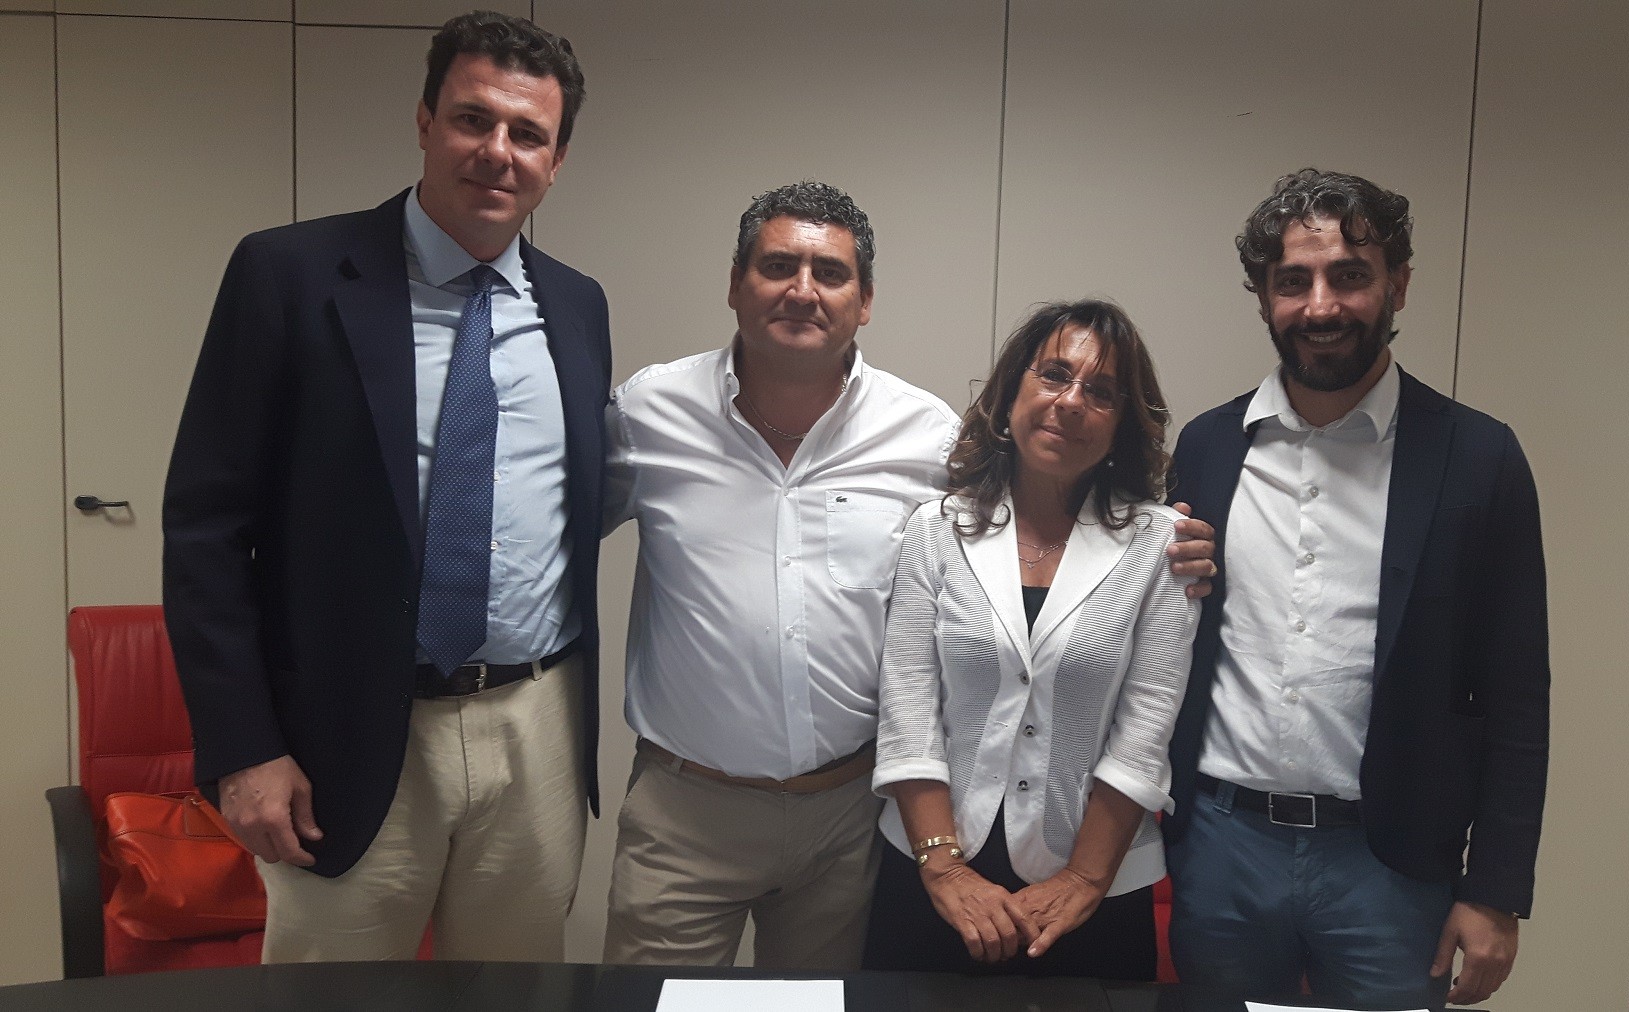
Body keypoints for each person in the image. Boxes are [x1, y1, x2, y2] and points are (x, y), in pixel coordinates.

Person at [600, 184, 1219, 970]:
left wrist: (1176, 543)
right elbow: (552, 535)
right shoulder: (648, 412)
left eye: (830, 273)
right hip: (689, 803)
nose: (803, 290)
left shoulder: (924, 437)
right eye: (779, 265)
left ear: (865, 302)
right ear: (734, 282)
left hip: (845, 816)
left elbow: (1137, 711)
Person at [162, 11, 609, 963]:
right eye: (473, 119)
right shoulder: (288, 275)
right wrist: (243, 747)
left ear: (557, 159)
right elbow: (206, 530)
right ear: (424, 121)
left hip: (536, 724)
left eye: (527, 133)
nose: (497, 151)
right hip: (347, 731)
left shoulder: (577, 306)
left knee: (518, 993)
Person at [1163, 168, 1550, 1008]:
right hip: (1222, 849)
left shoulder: (1478, 459)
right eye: (1292, 281)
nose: (1321, 306)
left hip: (1390, 865)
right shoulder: (1207, 448)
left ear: (1397, 285)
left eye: (1349, 275)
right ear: (1263, 298)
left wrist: (1495, 889)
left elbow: (1519, 696)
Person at [863, 300, 1200, 980]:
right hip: (933, 868)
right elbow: (908, 711)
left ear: (1123, 422)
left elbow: (1145, 729)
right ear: (1012, 390)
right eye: (1054, 375)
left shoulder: (1161, 545)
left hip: (1096, 883)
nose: (1070, 402)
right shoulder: (937, 528)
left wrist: (1083, 878)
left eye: (1101, 392)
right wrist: (944, 867)